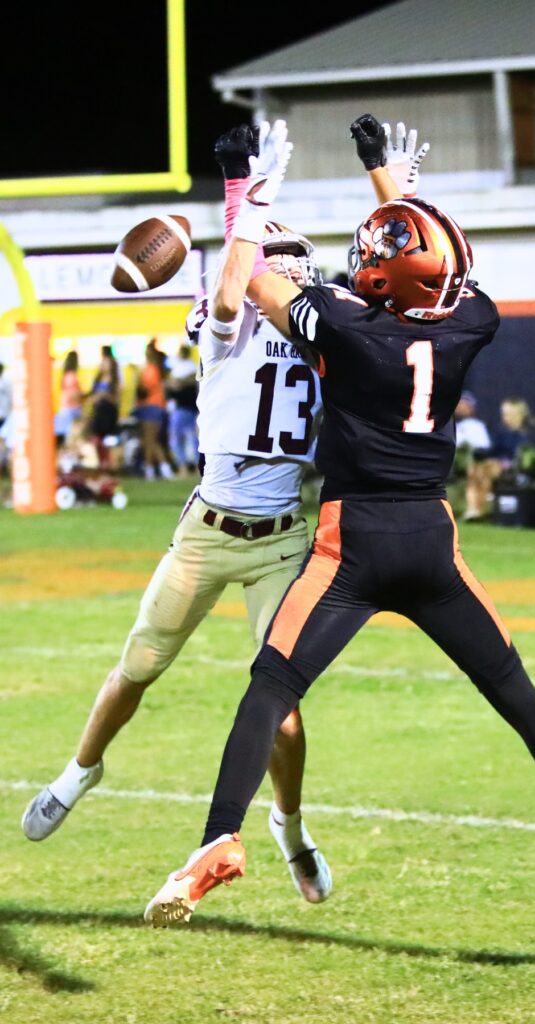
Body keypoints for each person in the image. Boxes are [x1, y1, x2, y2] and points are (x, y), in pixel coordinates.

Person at [144, 115, 535, 927]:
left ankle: (219, 839)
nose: (359, 264)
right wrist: (392, 185)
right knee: (514, 691)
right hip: (430, 541)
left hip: (348, 545)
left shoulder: (349, 328)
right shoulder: (470, 322)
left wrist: (247, 194)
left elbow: (248, 283)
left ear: (384, 281)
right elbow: (445, 263)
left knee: (271, 687)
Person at [21, 123, 332, 907]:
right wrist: (243, 196)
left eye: (294, 261)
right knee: (138, 665)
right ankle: (79, 770)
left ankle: (289, 827)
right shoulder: (224, 330)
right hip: (208, 530)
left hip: (281, 542)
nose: (289, 271)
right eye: (276, 258)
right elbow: (230, 290)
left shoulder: (329, 334)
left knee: (283, 712)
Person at [464, 396, 535, 520]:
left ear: (518, 415)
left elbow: (526, 454)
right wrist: (480, 453)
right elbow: (494, 450)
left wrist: (504, 462)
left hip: (516, 467)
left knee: (487, 470)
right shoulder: (501, 431)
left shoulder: (529, 431)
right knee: (474, 470)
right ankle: (473, 509)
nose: (505, 417)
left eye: (508, 415)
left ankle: (480, 509)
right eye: (504, 414)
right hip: (496, 463)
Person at [137, 341, 174, 479]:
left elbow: (145, 390)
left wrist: (138, 380)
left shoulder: (150, 370)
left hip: (151, 406)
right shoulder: (157, 369)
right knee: (152, 440)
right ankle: (158, 468)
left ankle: (154, 469)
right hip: (156, 406)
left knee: (150, 440)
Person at [453, 391, 492, 520]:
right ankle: (474, 510)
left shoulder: (477, 426)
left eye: (465, 405)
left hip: (472, 462)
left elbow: (484, 447)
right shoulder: (447, 424)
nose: (461, 408)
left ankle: (477, 510)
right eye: (460, 404)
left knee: (478, 471)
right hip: (452, 461)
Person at [165, 343, 199, 478]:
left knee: (177, 438)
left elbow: (173, 386)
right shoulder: (192, 367)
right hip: (192, 408)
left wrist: (178, 382)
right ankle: (196, 467)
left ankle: (183, 466)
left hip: (182, 408)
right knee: (193, 439)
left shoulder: (183, 368)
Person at [53, 350, 82, 443]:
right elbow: (74, 395)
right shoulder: (72, 376)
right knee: (72, 438)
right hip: (72, 410)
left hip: (65, 408)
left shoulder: (66, 376)